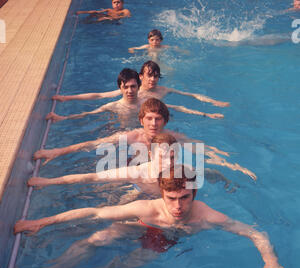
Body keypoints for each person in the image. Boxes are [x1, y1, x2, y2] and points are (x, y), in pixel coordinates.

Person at [14, 164, 287, 268]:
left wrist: (270, 261)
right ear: (162, 194)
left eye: (184, 198)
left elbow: (253, 233)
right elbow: (94, 213)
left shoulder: (207, 216)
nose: (177, 206)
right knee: (97, 238)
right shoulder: (147, 207)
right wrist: (41, 222)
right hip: (143, 224)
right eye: (171, 198)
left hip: (167, 238)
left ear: (194, 194)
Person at [34, 98, 256, 180]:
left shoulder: (174, 138)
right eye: (149, 119)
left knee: (206, 172)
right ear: (141, 120)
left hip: (166, 176)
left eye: (158, 119)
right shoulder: (131, 136)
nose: (153, 124)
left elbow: (203, 151)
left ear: (165, 121)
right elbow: (90, 145)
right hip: (138, 173)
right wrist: (56, 152)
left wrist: (232, 164)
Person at [28, 133, 233, 193]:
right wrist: (48, 182)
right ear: (151, 155)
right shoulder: (138, 172)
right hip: (142, 193)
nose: (168, 162)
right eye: (163, 156)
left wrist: (228, 181)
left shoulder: (183, 171)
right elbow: (92, 176)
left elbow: (212, 173)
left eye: (172, 157)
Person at [52, 61, 228, 117]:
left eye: (156, 76)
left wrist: (212, 105)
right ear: (141, 77)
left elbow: (189, 97)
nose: (152, 79)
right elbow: (98, 95)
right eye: (149, 76)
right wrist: (68, 98)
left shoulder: (162, 91)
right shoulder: (133, 90)